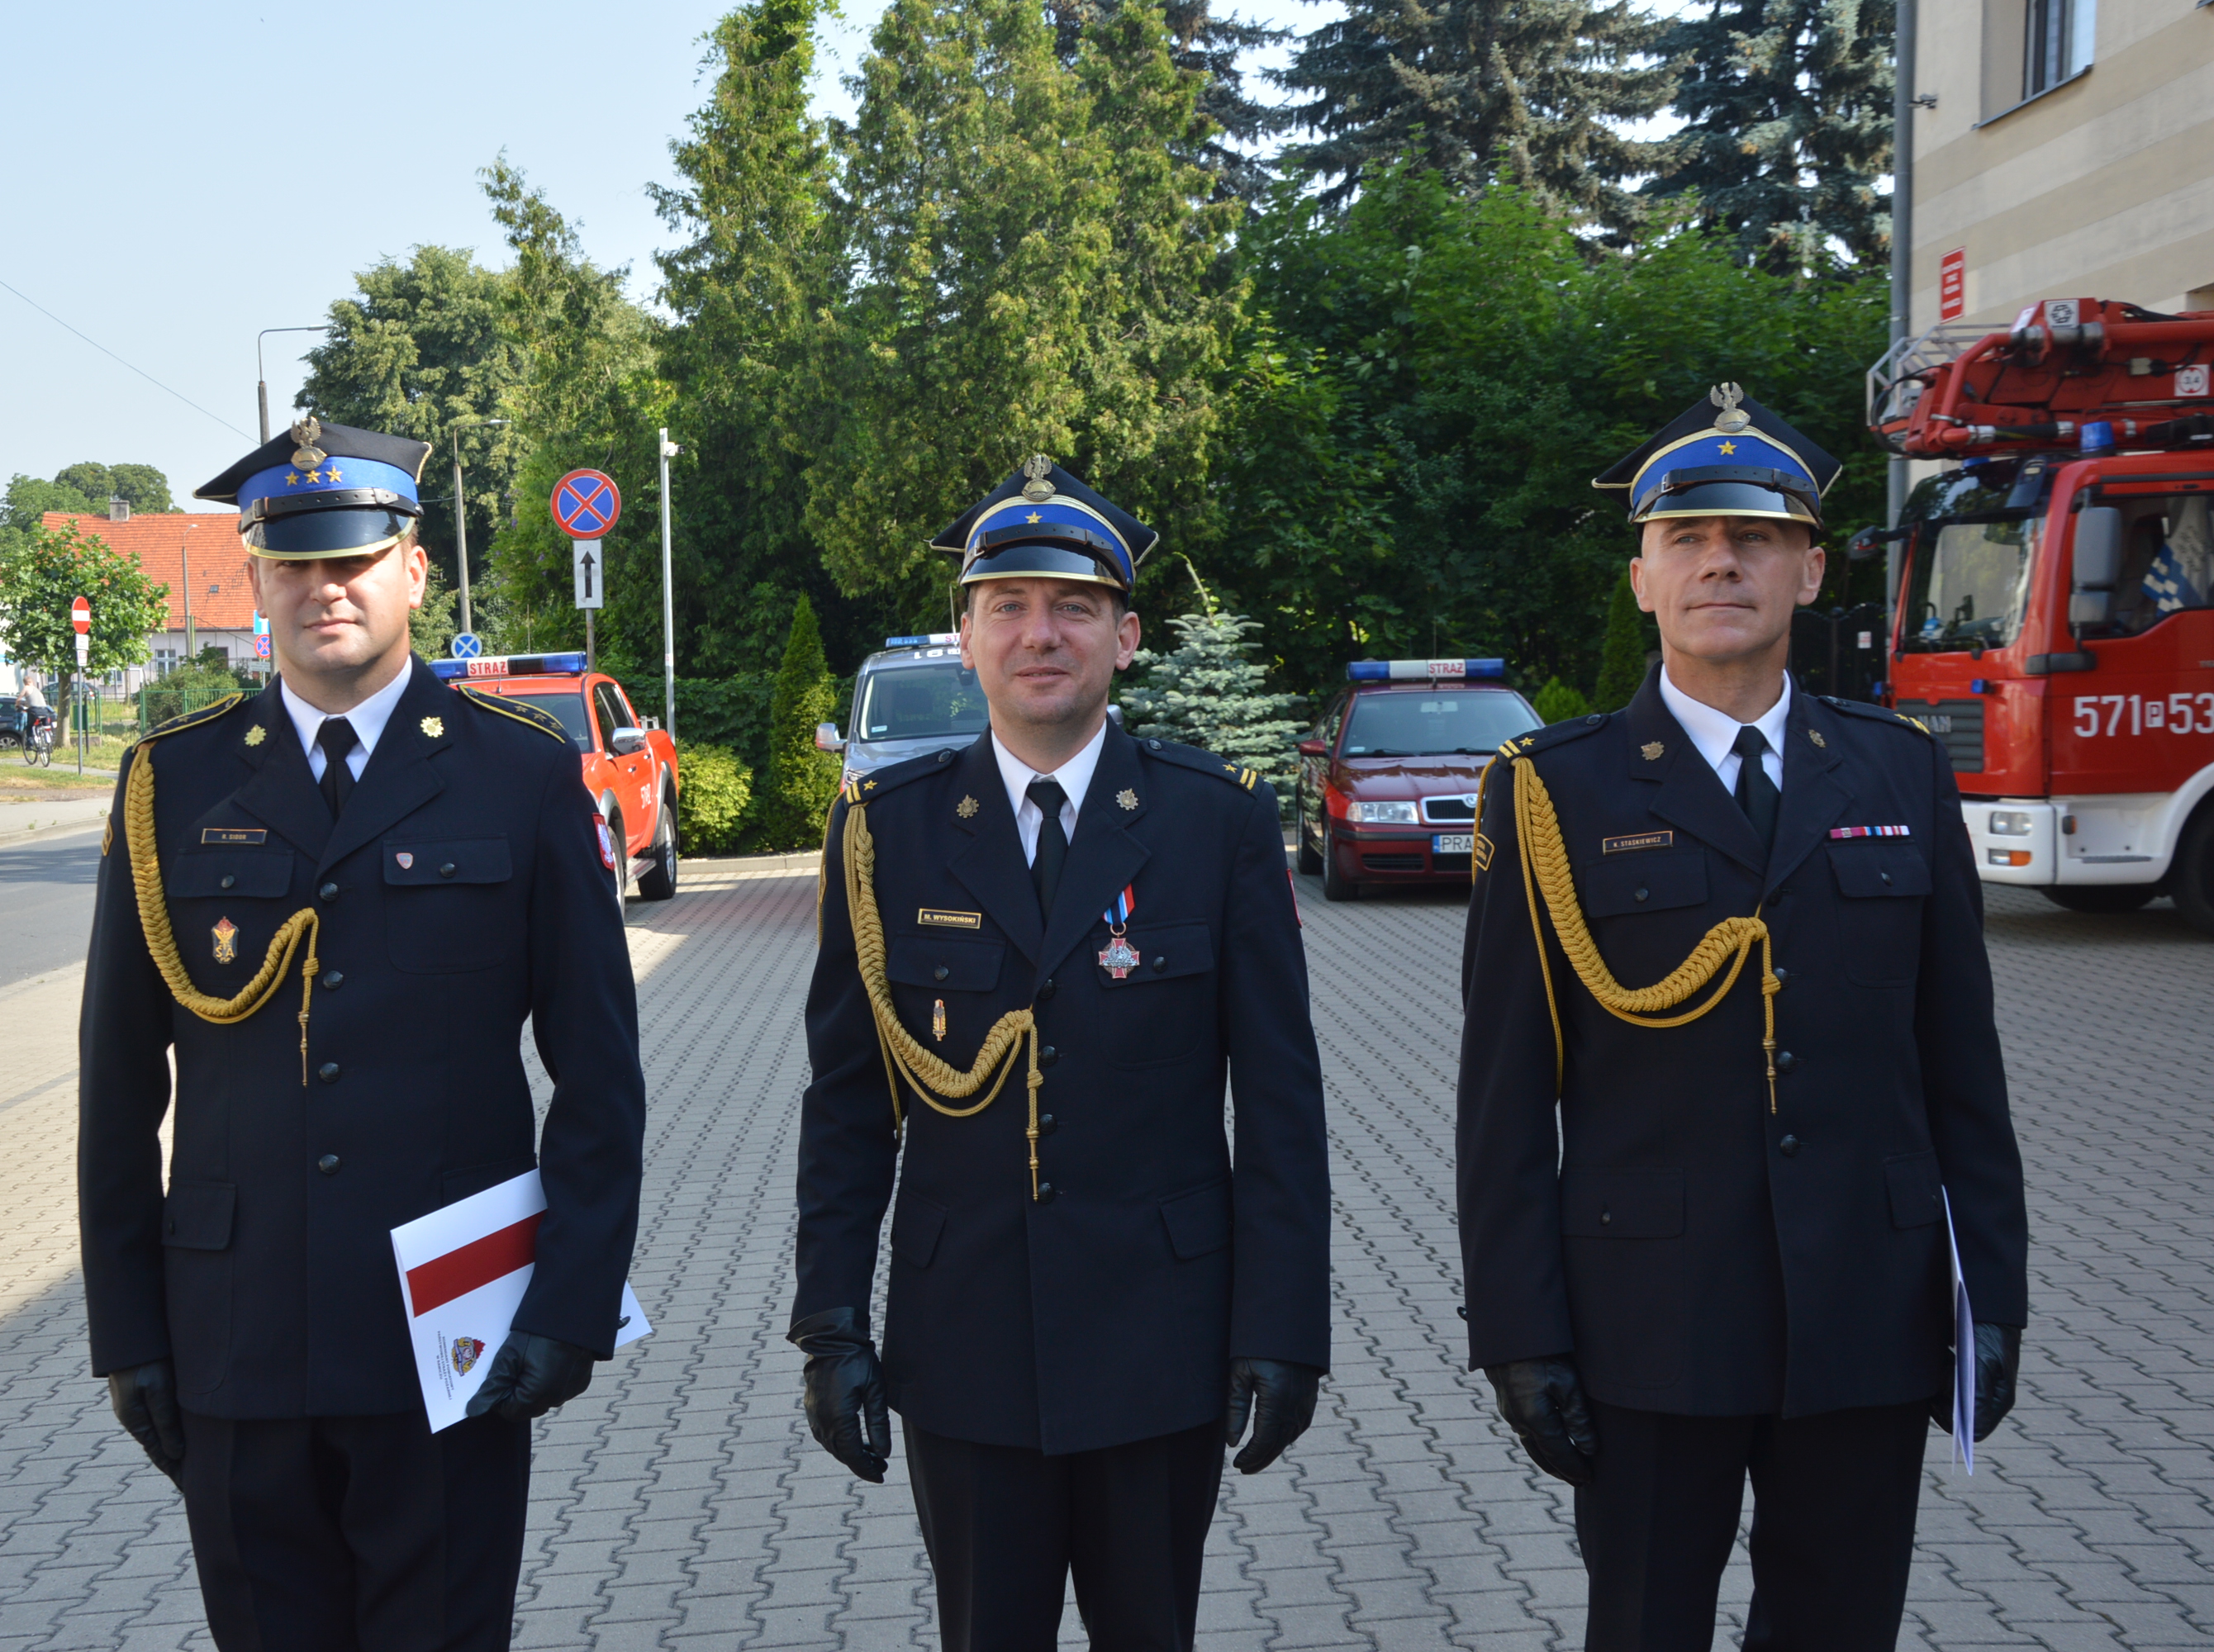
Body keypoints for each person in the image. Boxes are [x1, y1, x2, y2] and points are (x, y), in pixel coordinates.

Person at [1456, 386, 2029, 1650]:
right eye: (1688, 538)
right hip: (1648, 1322)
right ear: (1643, 579)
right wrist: (1518, 1331)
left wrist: (1991, 1290)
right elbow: (1503, 1098)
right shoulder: (1552, 793)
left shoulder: (1899, 768)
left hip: (1866, 1312)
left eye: (1756, 538)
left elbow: (1960, 1066)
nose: (1722, 561)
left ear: (1811, 571)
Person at [78, 415, 646, 1651]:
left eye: (353, 558)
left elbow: (600, 1074)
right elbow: (116, 1086)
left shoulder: (519, 775)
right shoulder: (173, 782)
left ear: (415, 570)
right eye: (293, 563)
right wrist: (126, 1327)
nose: (324, 587)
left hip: (450, 1337)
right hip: (234, 1337)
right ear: (256, 580)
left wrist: (570, 1301)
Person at [791, 456, 1331, 1650]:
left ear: (1125, 638)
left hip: (1162, 1338)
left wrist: (1284, 1326)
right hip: (964, 1342)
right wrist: (829, 1321)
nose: (1040, 634)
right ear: (966, 637)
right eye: (1008, 606)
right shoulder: (887, 832)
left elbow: (1280, 1103)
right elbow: (847, 1102)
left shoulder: (1217, 821)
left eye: (1074, 607)